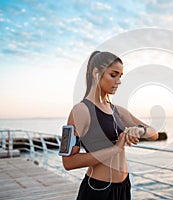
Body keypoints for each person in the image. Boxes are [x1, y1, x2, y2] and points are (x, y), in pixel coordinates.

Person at [62, 51, 159, 200]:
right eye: (113, 75)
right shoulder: (80, 111)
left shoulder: (117, 111)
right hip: (99, 190)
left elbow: (154, 134)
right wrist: (114, 149)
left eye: (120, 76)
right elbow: (68, 162)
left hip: (124, 187)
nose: (118, 81)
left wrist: (139, 130)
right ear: (96, 73)